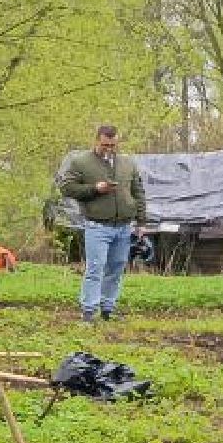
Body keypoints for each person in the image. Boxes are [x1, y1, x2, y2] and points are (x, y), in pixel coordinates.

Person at [56, 124, 147, 322]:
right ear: (97, 140)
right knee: (95, 268)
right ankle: (89, 311)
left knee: (116, 268)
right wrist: (95, 189)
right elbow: (66, 188)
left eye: (113, 145)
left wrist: (141, 221)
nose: (109, 149)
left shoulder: (127, 163)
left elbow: (138, 191)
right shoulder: (81, 162)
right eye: (105, 145)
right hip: (97, 226)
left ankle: (107, 309)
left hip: (123, 226)